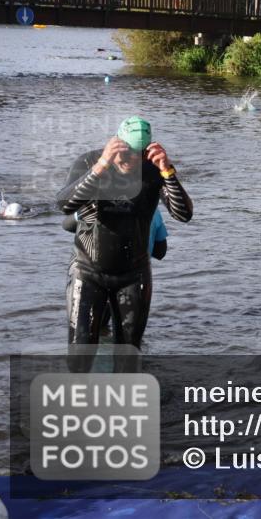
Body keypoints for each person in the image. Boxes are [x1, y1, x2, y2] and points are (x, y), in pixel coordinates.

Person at [56, 117, 193, 354]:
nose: (131, 159)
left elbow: (184, 215)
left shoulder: (153, 169)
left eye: (138, 154)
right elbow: (65, 205)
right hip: (87, 270)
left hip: (134, 274)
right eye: (126, 152)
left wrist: (168, 171)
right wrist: (100, 167)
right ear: (116, 143)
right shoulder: (90, 161)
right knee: (81, 356)